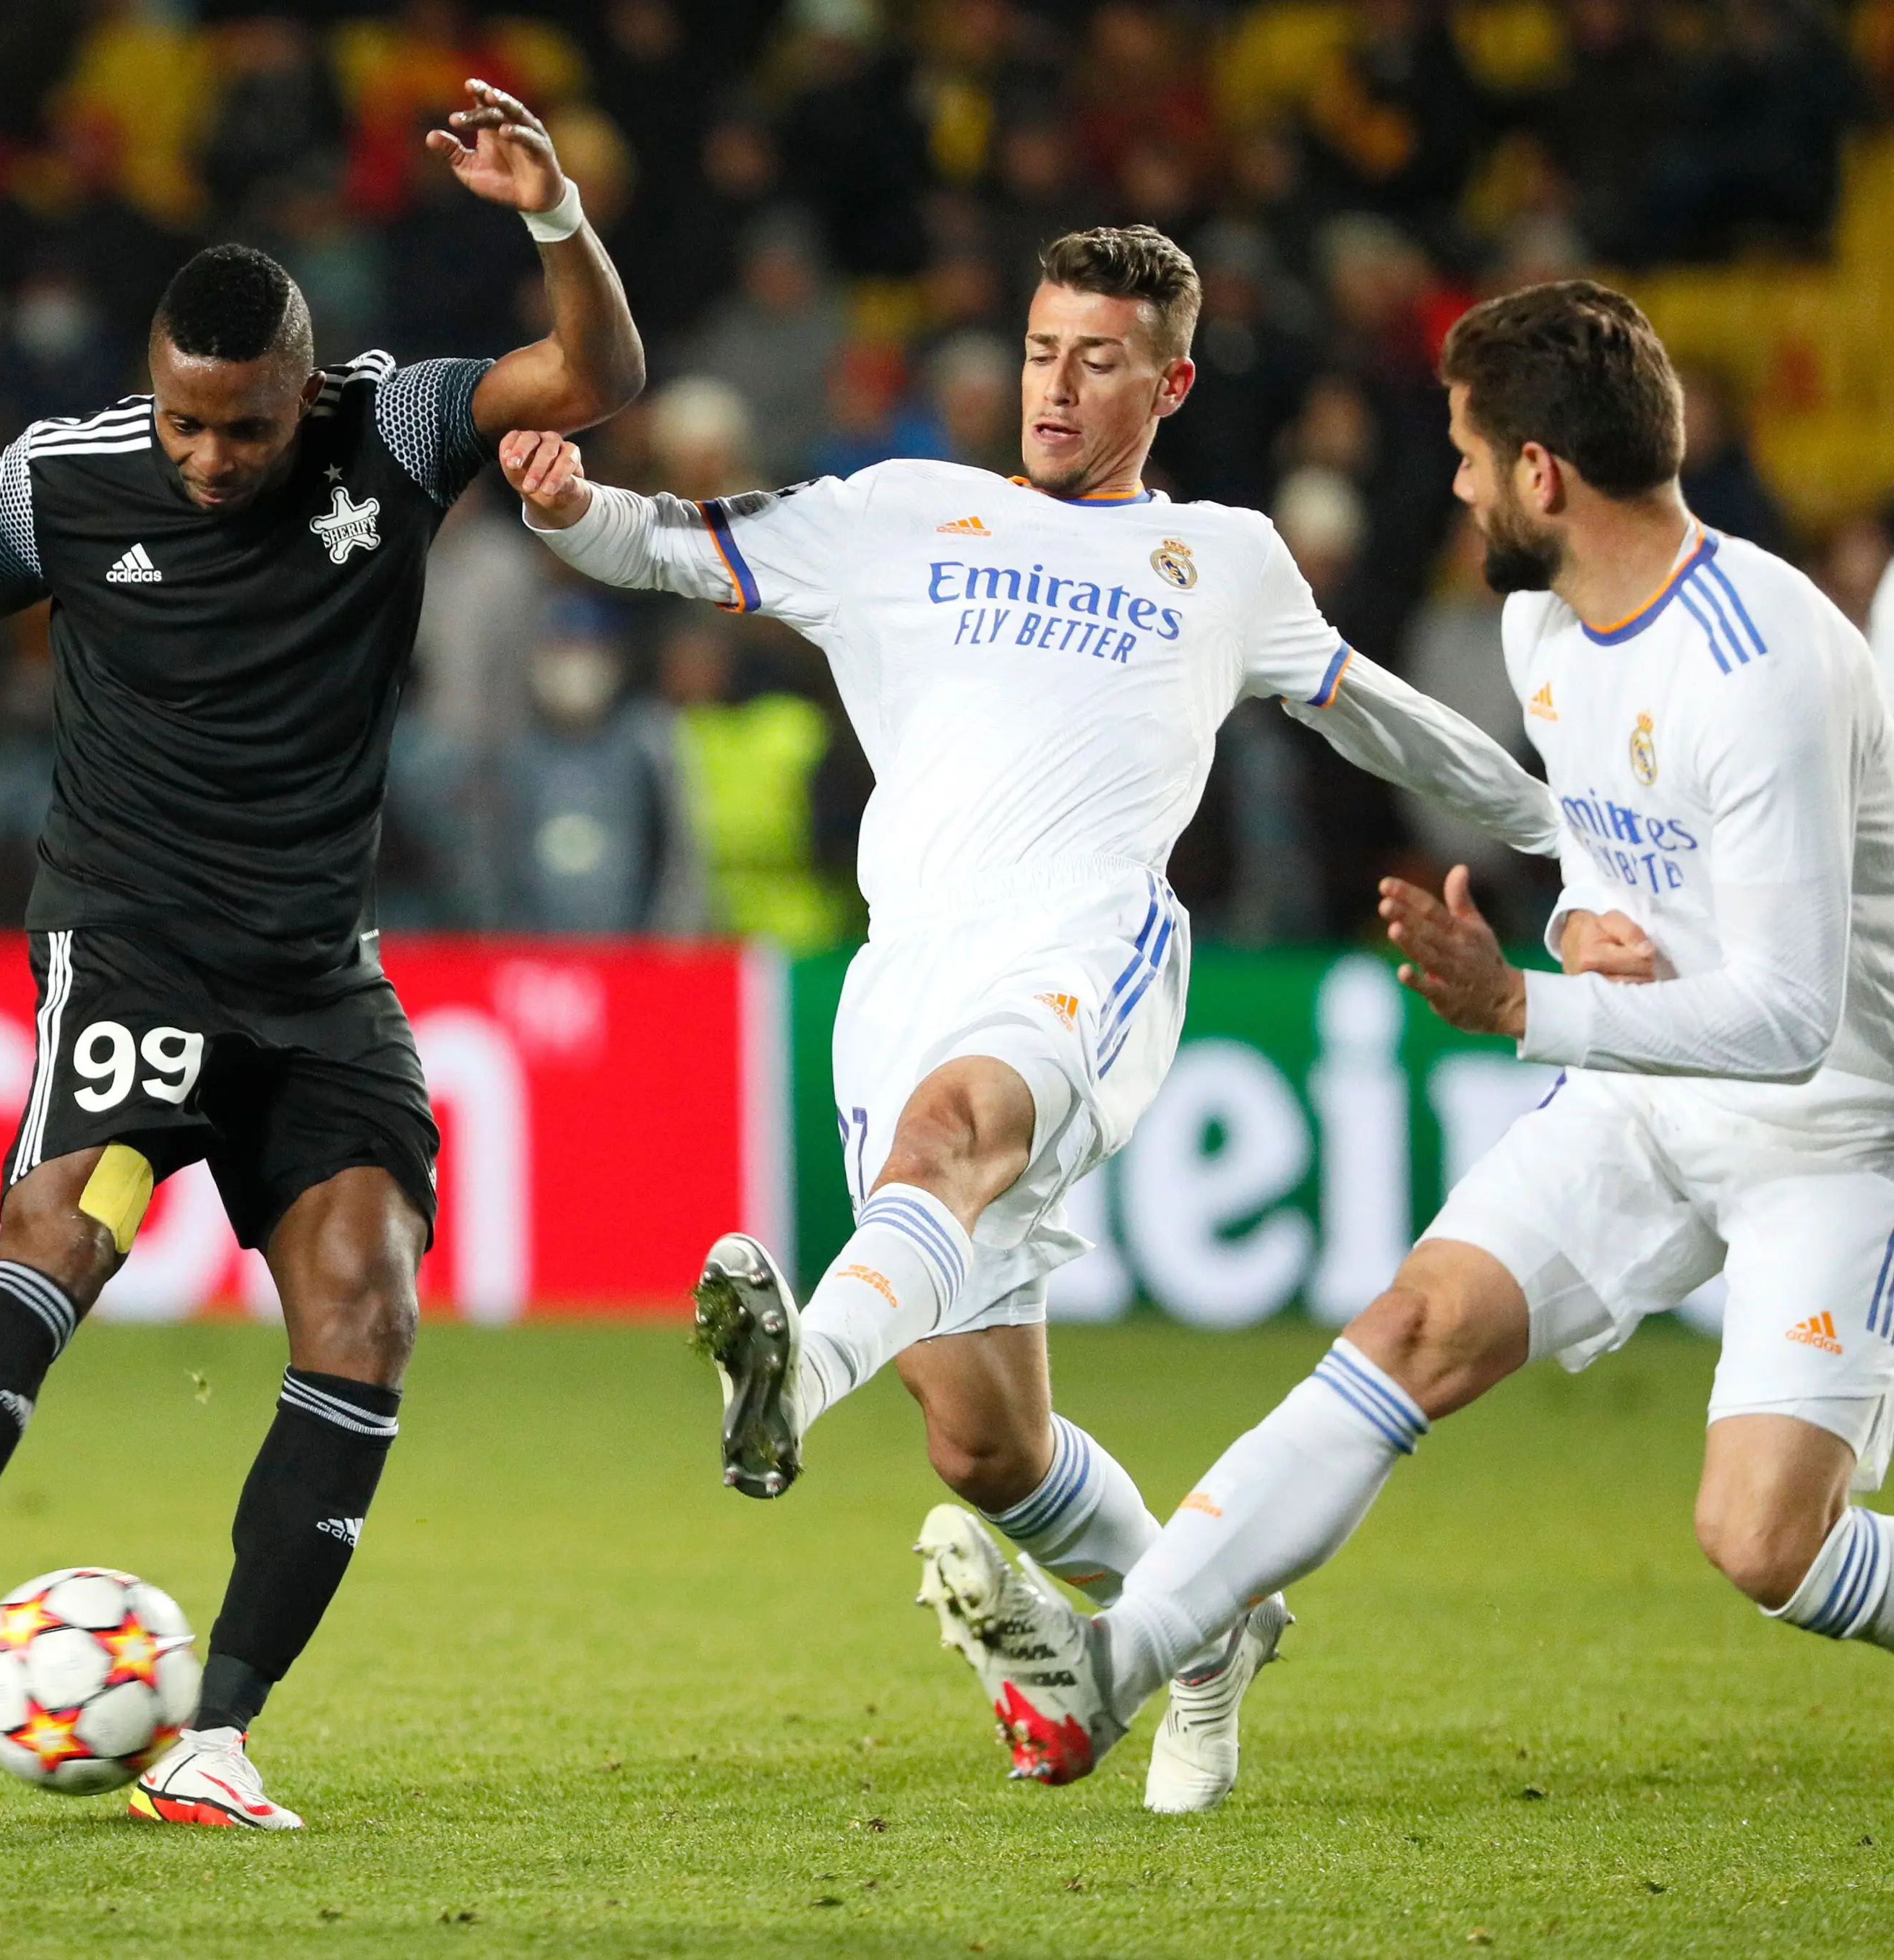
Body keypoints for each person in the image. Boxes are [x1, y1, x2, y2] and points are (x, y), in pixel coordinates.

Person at [0, 80, 641, 1830]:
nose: (210, 458)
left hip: (318, 972)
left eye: (245, 427)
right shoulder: (69, 477)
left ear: (305, 389)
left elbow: (592, 376)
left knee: (368, 1308)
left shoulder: (395, 425)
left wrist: (552, 216)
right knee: (69, 1226)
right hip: (136, 936)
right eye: (186, 423)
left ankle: (217, 1737)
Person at [500, 225, 1557, 1813]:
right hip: (906, 972)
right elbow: (656, 545)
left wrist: (1560, 827)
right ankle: (1211, 1629)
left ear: (1170, 384)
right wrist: (565, 500)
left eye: (1100, 361)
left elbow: (1382, 722)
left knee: (953, 1135)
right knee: (985, 1446)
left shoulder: (1223, 561)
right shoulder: (897, 513)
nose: (1057, 387)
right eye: (1044, 351)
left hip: (1084, 948)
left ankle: (796, 1379)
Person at [938, 280, 1894, 1792]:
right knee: (1411, 1329)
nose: (1450, 485)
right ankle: (1104, 1675)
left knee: (1763, 1540)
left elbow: (1790, 1019)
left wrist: (1526, 1002)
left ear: (1541, 473)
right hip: (1643, 1095)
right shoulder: (1542, 625)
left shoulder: (1757, 662)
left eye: (1466, 453)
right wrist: (1582, 925)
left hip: (1836, 1139)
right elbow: (1612, 863)